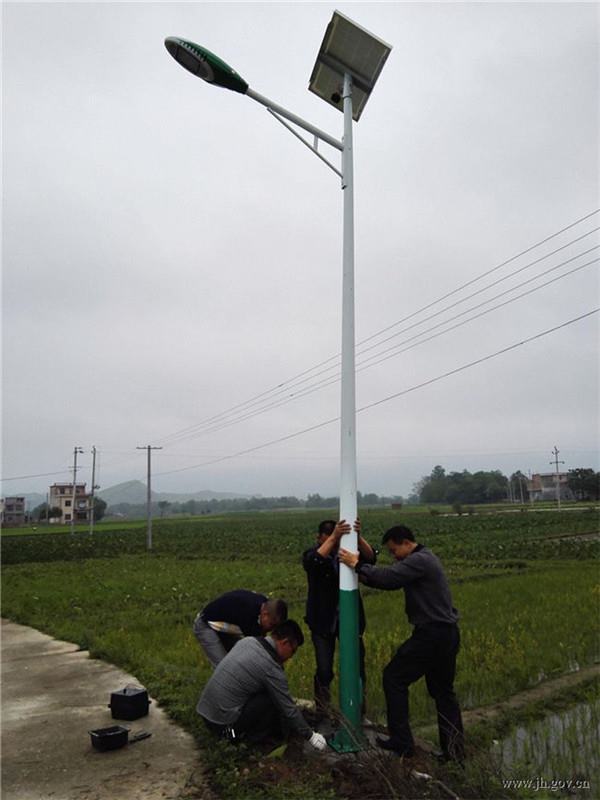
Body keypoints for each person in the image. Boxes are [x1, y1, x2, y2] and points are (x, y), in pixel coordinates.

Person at [339, 524, 465, 762]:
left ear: (406, 542)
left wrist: (356, 564)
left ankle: (402, 742)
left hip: (432, 635)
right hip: (446, 634)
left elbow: (389, 578)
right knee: (443, 693)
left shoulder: (420, 561)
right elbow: (386, 576)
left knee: (394, 678)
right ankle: (454, 753)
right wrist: (363, 568)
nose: (394, 556)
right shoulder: (424, 558)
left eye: (394, 550)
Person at [196, 619, 328, 751]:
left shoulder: (248, 641)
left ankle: (236, 735)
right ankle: (245, 742)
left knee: (264, 692)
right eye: (292, 651)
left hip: (206, 717)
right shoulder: (270, 668)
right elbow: (288, 709)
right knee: (270, 699)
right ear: (285, 643)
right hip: (225, 729)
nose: (290, 657)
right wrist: (311, 736)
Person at [302, 519, 376, 715]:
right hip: (322, 621)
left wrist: (357, 538)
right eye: (330, 541)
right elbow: (313, 563)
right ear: (319, 538)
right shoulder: (313, 555)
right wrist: (334, 537)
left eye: (337, 541)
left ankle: (359, 712)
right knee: (324, 670)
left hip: (349, 620)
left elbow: (371, 558)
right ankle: (322, 710)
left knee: (356, 668)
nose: (334, 546)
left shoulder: (347, 553)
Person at [193, 589, 287, 668]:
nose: (271, 629)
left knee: (239, 662)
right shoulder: (249, 614)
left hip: (225, 627)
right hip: (206, 625)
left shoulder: (263, 605)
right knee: (224, 668)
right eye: (271, 625)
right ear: (265, 614)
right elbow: (258, 647)